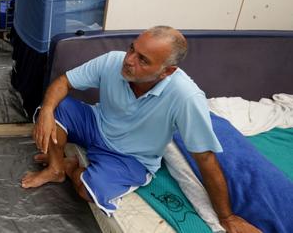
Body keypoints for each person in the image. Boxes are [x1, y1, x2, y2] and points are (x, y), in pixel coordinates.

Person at [21, 26, 260, 233]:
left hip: (131, 157)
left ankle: (71, 167)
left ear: (167, 71)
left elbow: (205, 158)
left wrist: (226, 217)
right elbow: (64, 81)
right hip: (96, 125)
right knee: (55, 106)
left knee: (88, 192)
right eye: (132, 48)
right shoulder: (113, 61)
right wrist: (48, 111)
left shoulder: (186, 97)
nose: (129, 60)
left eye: (143, 60)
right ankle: (55, 169)